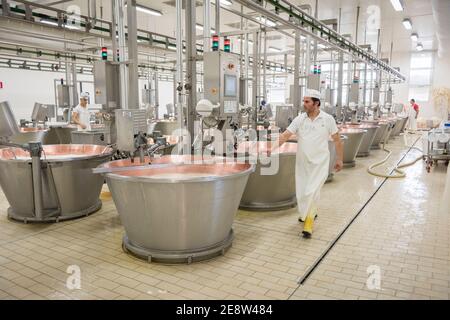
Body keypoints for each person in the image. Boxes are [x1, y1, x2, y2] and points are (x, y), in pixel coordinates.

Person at [272, 89, 344, 238]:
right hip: (303, 163)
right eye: (304, 101)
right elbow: (286, 135)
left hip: (320, 162)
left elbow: (337, 140)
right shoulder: (300, 119)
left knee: (312, 191)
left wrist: (339, 159)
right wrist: (271, 149)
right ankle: (307, 212)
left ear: (316, 103)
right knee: (303, 191)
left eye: (307, 101)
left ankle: (309, 223)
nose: (304, 104)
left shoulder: (327, 119)